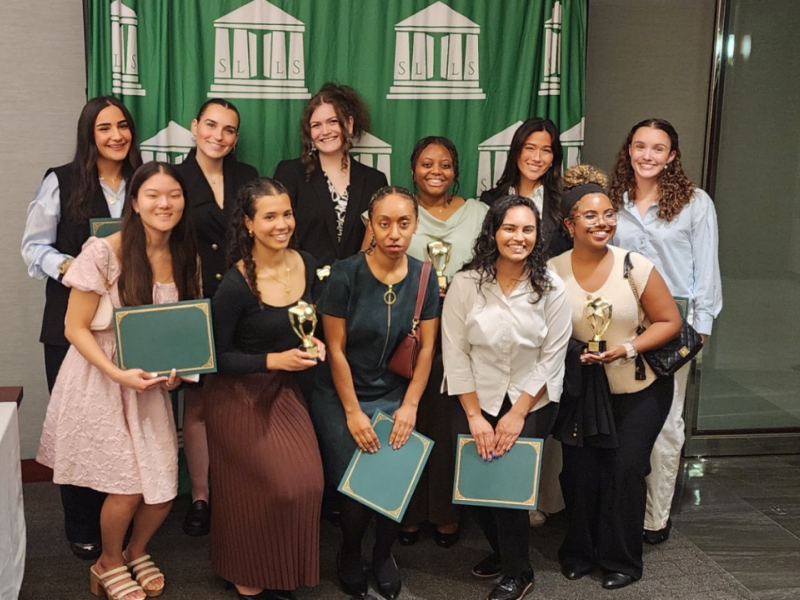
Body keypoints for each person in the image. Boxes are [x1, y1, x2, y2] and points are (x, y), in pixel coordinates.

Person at [37, 161, 201, 600]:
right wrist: (116, 373)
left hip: (149, 387)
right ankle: (107, 561)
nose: (164, 203)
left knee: (163, 487)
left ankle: (135, 550)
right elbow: (74, 328)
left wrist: (174, 375)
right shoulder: (102, 251)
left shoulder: (187, 255)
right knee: (127, 489)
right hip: (100, 380)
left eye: (174, 195)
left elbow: (179, 330)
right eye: (153, 195)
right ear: (135, 202)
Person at [549, 165, 682, 589]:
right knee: (579, 472)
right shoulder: (550, 271)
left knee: (624, 470)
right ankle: (579, 551)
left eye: (608, 214)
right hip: (581, 389)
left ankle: (622, 559)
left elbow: (669, 321)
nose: (602, 222)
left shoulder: (634, 265)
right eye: (590, 216)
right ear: (569, 224)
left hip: (638, 387)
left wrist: (626, 348)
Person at [21, 95, 142, 560]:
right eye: (104, 128)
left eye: (123, 126)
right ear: (88, 134)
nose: (116, 136)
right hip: (70, 325)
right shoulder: (61, 180)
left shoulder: (144, 181)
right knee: (79, 430)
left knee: (125, 428)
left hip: (131, 323)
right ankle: (80, 520)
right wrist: (76, 265)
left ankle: (121, 519)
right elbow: (33, 248)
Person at [312, 186, 440, 600]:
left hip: (395, 391)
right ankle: (350, 552)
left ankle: (383, 554)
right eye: (383, 223)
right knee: (359, 470)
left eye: (404, 223)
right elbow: (335, 349)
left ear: (416, 225)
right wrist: (352, 412)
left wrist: (410, 406)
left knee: (394, 468)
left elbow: (427, 350)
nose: (394, 233)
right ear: (371, 224)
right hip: (341, 392)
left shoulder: (425, 274)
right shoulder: (346, 272)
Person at [442, 195, 572, 600]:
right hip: (472, 396)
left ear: (538, 234)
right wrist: (475, 416)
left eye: (527, 229)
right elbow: (455, 352)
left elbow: (552, 357)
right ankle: (503, 552)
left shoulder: (551, 287)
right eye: (510, 228)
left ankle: (519, 571)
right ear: (493, 232)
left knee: (510, 492)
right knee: (475, 487)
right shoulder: (466, 283)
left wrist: (517, 414)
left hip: (529, 400)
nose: (519, 237)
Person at [203, 178, 325, 600]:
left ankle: (277, 567)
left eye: (286, 213)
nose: (281, 223)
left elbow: (306, 324)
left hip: (283, 391)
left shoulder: (307, 263)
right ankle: (244, 570)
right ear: (250, 224)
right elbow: (214, 357)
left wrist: (313, 342)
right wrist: (273, 360)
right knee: (275, 487)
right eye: (269, 216)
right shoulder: (236, 284)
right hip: (236, 394)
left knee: (307, 485)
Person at [608, 118, 722, 544]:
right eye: (640, 146)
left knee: (666, 425)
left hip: (673, 326)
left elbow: (706, 270)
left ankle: (653, 519)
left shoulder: (695, 203)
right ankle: (617, 511)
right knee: (621, 423)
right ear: (629, 149)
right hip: (618, 323)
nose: (648, 155)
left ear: (672, 155)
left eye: (658, 148)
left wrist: (701, 329)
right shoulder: (612, 202)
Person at [396, 136, 488, 547]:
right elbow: (368, 261)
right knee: (410, 423)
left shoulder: (480, 213)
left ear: (456, 170)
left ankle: (446, 513)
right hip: (407, 335)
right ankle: (410, 513)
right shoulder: (396, 210)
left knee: (450, 426)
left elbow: (495, 265)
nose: (436, 171)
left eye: (446, 165)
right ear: (412, 168)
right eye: (427, 164)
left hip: (464, 336)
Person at [176, 98, 259, 537]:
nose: (218, 136)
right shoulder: (174, 177)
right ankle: (202, 496)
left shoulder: (247, 177)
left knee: (243, 397)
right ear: (194, 127)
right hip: (195, 300)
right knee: (200, 403)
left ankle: (240, 489)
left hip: (244, 299)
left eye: (228, 130)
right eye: (211, 125)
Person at [273, 82, 387, 269]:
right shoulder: (290, 173)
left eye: (333, 122)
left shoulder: (375, 181)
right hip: (302, 286)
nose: (325, 131)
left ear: (349, 125)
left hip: (357, 289)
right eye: (316, 125)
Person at [480, 117, 572, 259]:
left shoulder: (565, 202)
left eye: (546, 150)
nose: (537, 158)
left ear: (554, 158)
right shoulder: (490, 200)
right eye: (529, 148)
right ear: (517, 151)